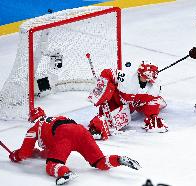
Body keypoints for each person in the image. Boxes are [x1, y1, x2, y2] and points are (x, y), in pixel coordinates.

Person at [9, 107, 141, 185]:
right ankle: (119, 159)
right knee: (99, 162)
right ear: (43, 115)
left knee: (52, 164)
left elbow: (24, 153)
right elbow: (48, 148)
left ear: (32, 119)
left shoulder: (34, 128)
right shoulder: (56, 117)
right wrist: (37, 153)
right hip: (81, 131)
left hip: (64, 135)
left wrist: (15, 155)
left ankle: (65, 173)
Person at [88, 61, 168, 140]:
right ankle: (96, 128)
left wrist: (152, 116)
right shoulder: (127, 77)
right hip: (116, 100)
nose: (147, 79)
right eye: (146, 75)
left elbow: (151, 101)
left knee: (153, 103)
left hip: (132, 105)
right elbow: (107, 72)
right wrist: (102, 86)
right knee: (107, 119)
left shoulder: (155, 87)